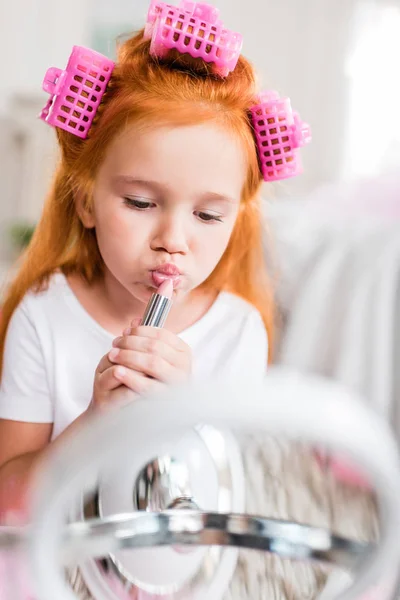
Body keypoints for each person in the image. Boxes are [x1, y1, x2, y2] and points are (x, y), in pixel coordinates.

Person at [0, 0, 310, 516]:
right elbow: (8, 500)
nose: (173, 240)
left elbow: (225, 502)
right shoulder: (45, 314)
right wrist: (97, 419)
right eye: (141, 203)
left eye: (208, 216)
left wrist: (181, 413)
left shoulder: (237, 332)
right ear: (86, 202)